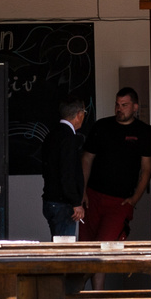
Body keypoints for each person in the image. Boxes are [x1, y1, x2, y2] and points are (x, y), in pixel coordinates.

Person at [79, 87, 151, 244]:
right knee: (86, 244)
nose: (119, 109)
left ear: (135, 107)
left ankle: (101, 269)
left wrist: (134, 199)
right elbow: (86, 159)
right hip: (93, 196)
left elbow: (147, 168)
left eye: (124, 105)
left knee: (107, 244)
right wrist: (83, 191)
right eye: (117, 104)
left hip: (120, 201)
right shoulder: (101, 126)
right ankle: (88, 270)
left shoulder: (144, 131)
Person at [40, 99, 88, 237]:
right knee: (65, 250)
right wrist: (75, 202)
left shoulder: (51, 135)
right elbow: (67, 173)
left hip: (50, 199)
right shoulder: (69, 138)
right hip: (63, 204)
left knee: (58, 244)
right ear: (79, 114)